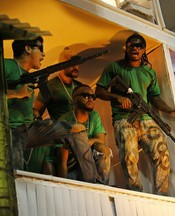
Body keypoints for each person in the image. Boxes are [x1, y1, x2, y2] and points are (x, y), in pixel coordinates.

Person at [95, 33, 175, 195]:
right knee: (129, 156)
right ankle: (136, 193)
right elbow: (99, 90)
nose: (135, 48)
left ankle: (161, 195)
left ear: (144, 50)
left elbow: (154, 97)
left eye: (139, 46)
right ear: (126, 48)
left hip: (146, 117)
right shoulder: (114, 68)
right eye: (131, 45)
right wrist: (118, 97)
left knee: (162, 153)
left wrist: (169, 110)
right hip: (124, 119)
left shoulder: (149, 72)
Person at [5, 36, 70, 172]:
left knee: (75, 130)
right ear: (28, 48)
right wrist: (15, 94)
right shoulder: (8, 65)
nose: (44, 54)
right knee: (15, 170)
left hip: (29, 128)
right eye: (40, 48)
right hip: (11, 129)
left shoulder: (27, 74)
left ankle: (90, 180)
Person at [56, 85, 112, 184]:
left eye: (93, 97)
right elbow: (62, 157)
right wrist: (63, 184)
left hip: (89, 162)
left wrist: (83, 143)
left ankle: (101, 186)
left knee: (103, 149)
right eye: (86, 96)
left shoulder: (94, 115)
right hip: (72, 168)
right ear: (75, 100)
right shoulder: (65, 121)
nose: (91, 99)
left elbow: (101, 139)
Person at [33, 47, 83, 121]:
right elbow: (36, 112)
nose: (76, 67)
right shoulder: (49, 86)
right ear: (61, 65)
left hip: (82, 129)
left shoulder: (80, 86)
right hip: (61, 131)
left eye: (77, 64)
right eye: (72, 64)